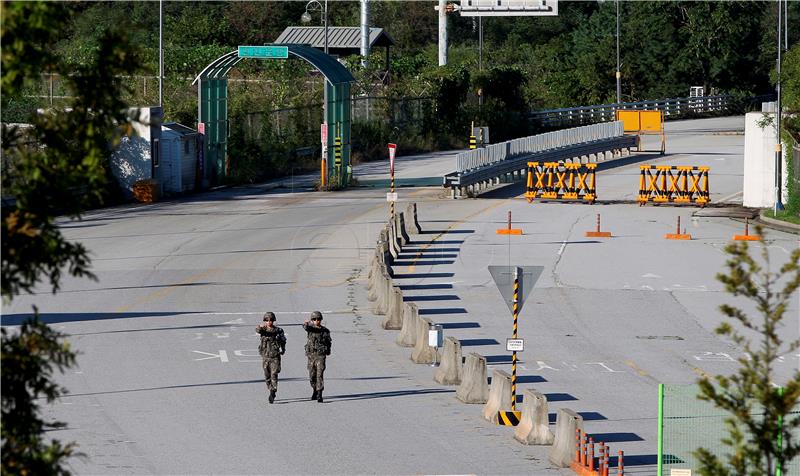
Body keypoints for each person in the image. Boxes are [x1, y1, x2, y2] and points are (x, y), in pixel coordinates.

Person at [256, 312, 286, 404]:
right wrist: (260, 326)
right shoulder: (263, 330)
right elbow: (257, 330)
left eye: (271, 320)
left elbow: (283, 340)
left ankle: (273, 391)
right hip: (265, 356)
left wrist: (283, 349)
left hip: (275, 356)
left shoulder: (278, 330)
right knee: (267, 375)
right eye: (267, 320)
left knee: (274, 374)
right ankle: (270, 387)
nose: (269, 322)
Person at [303, 311, 332, 403]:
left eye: (318, 319)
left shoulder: (325, 331)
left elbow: (328, 342)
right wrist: (306, 323)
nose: (317, 321)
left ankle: (320, 393)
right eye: (314, 319)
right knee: (312, 375)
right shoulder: (310, 329)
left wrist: (328, 351)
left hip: (320, 355)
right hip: (311, 356)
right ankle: (315, 389)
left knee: (320, 374)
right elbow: (305, 327)